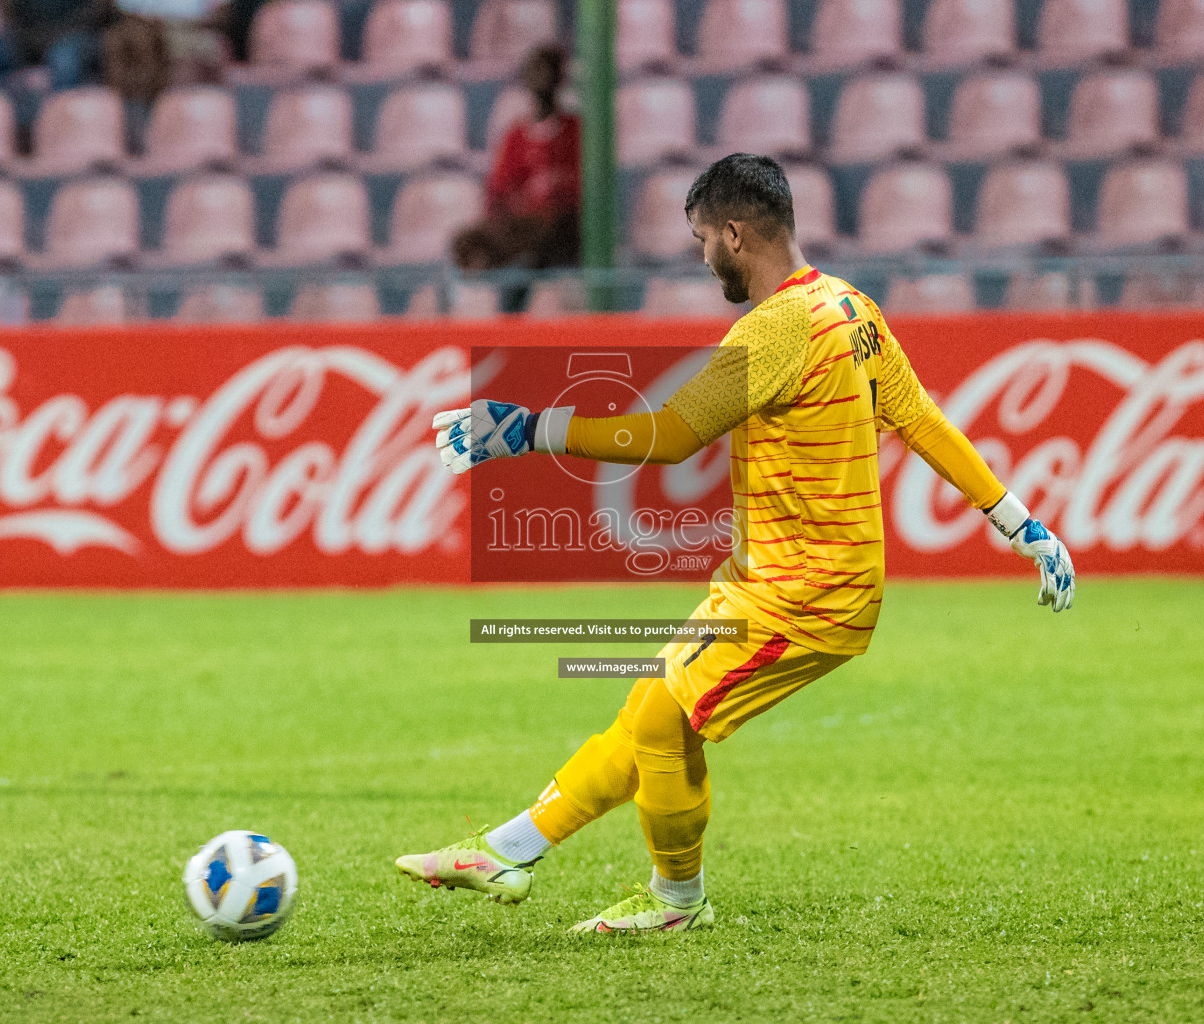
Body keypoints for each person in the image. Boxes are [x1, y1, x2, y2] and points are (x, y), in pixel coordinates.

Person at [405, 154, 1076, 934]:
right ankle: (505, 850)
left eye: (701, 240)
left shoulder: (775, 330)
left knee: (661, 719)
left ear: (734, 232)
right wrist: (1021, 523)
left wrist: (528, 428)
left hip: (808, 596)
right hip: (768, 581)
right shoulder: (850, 307)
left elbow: (667, 436)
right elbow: (923, 419)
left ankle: (672, 904)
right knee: (644, 716)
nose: (700, 257)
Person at [452, 44, 580, 275]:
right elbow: (499, 192)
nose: (543, 79)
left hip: (562, 226)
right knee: (467, 243)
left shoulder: (576, 131)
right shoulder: (516, 136)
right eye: (537, 70)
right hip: (521, 226)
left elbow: (584, 191)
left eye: (549, 70)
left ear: (560, 78)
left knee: (555, 233)